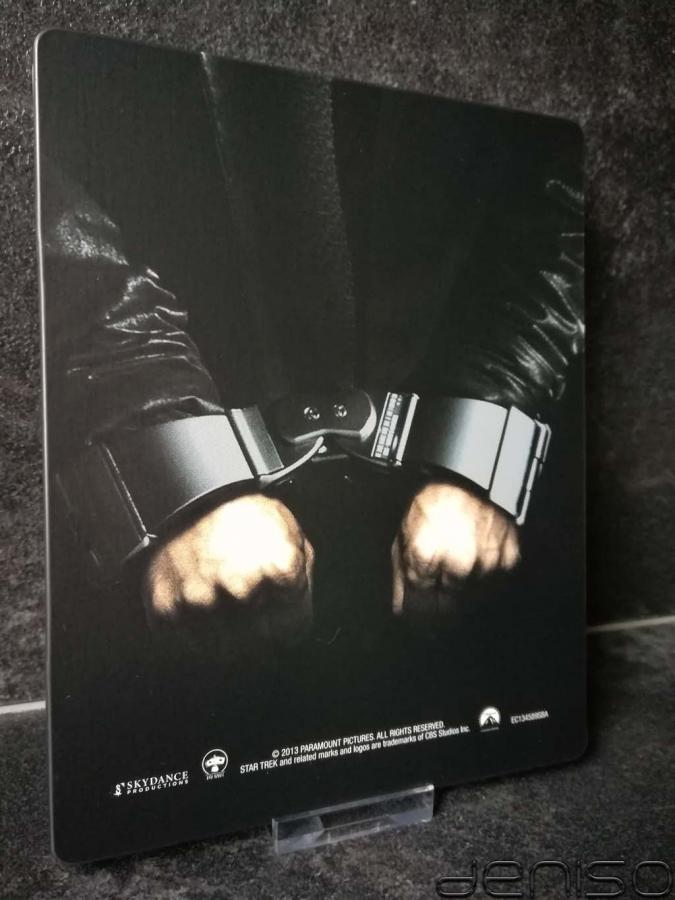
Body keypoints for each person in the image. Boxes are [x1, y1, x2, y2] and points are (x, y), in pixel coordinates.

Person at [40, 36, 583, 630]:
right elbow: (42, 187)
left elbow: (561, 184)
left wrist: (481, 452)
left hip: (461, 502)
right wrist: (175, 474)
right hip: (183, 512)